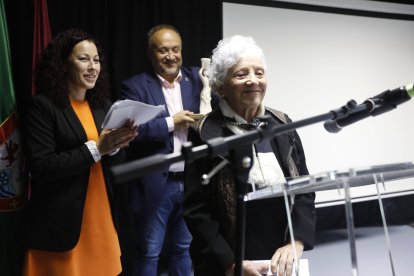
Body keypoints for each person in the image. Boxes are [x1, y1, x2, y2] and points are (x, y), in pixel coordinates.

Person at [183, 35, 316, 276]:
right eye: (241, 74)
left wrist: (296, 242)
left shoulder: (282, 123)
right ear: (221, 86)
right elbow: (196, 210)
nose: (253, 81)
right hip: (227, 262)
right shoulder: (203, 132)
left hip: (280, 257)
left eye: (259, 73)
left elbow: (304, 189)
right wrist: (231, 264)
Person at [21, 29, 138, 276]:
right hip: (60, 224)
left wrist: (117, 146)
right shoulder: (42, 107)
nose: (92, 66)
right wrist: (98, 149)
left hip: (101, 218)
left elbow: (112, 165)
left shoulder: (102, 107)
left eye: (96, 60)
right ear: (63, 64)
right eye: (83, 59)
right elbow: (42, 168)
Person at [120, 24, 214, 276]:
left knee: (184, 249)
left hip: (194, 182)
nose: (170, 56)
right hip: (156, 185)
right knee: (149, 251)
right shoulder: (135, 87)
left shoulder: (199, 78)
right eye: (163, 51)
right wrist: (174, 122)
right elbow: (132, 132)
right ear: (151, 54)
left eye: (175, 49)